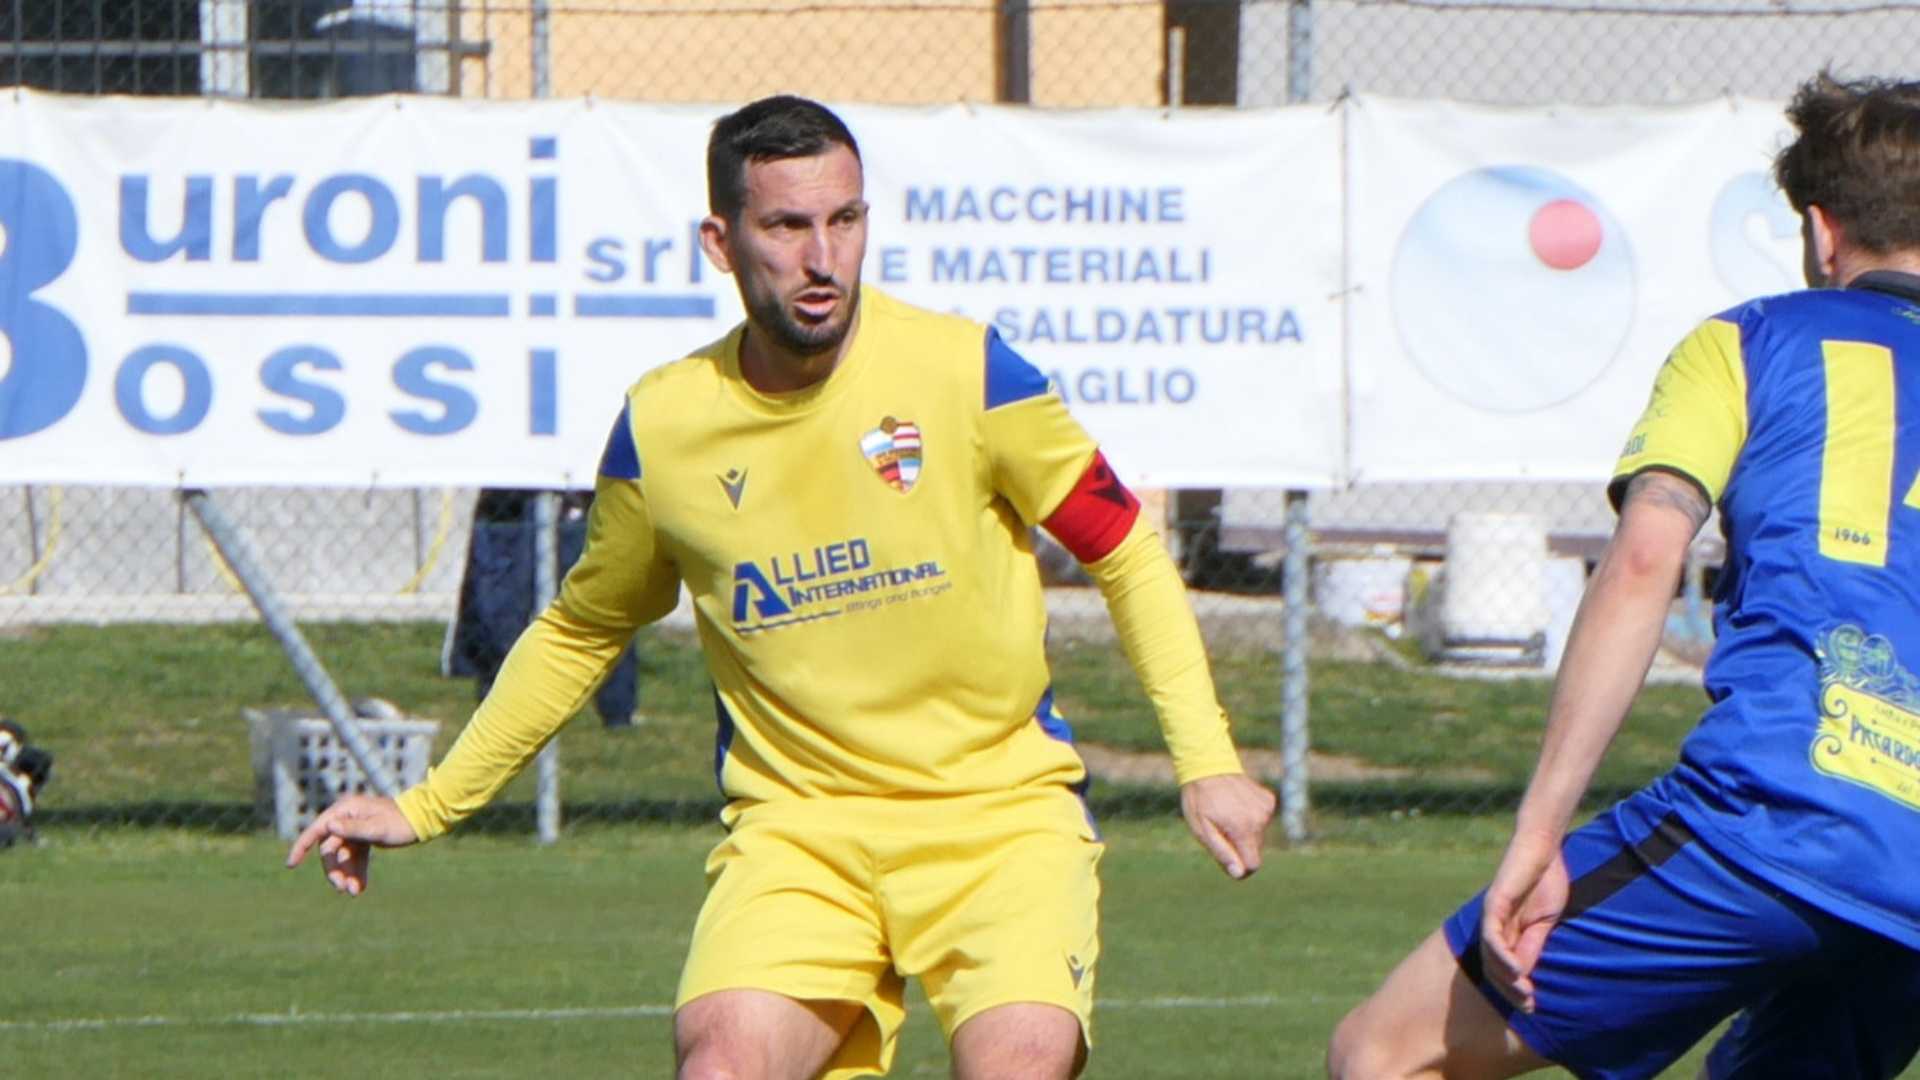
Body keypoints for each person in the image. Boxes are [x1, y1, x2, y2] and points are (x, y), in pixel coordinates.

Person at [288, 94, 1276, 1080]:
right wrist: (430, 804)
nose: (823, 258)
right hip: (799, 832)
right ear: (721, 242)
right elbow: (585, 626)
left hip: (999, 820)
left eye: (845, 221)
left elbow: (1126, 551)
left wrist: (1208, 761)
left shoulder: (968, 372)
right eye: (788, 226)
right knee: (721, 1065)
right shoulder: (665, 427)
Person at [1327, 70, 1920, 1080]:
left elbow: (1647, 559)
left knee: (1385, 1052)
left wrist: (1539, 829)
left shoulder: (1753, 341)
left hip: (1779, 818)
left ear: (1823, 232)